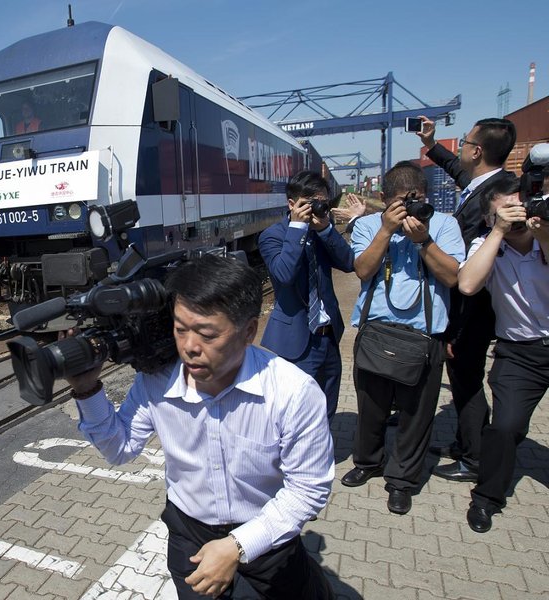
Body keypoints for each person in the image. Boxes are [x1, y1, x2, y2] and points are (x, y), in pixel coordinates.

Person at [66, 253, 335, 599]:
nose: (190, 347)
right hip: (189, 536)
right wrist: (87, 389)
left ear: (249, 331)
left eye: (207, 334)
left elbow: (308, 489)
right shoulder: (156, 381)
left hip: (268, 537)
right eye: (180, 329)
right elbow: (119, 448)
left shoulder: (293, 393)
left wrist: (237, 545)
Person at [340, 161, 464, 515]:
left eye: (418, 200)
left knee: (416, 416)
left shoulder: (444, 224)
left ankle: (403, 481)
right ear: (383, 200)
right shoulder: (367, 225)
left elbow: (453, 277)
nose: (411, 208)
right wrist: (386, 230)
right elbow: (362, 270)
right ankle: (368, 462)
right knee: (370, 410)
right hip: (376, 330)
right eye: (401, 202)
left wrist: (422, 240)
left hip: (425, 336)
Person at [416, 116, 516, 483]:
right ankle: (463, 443)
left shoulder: (501, 192)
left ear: (476, 150)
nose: (461, 147)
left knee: (466, 378)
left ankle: (474, 458)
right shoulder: (489, 184)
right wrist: (431, 145)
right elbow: (462, 174)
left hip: (476, 307)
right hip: (472, 305)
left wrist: (457, 329)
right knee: (463, 376)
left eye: (466, 142)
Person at [455, 175, 549, 533]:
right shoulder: (486, 244)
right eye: (504, 210)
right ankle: (487, 498)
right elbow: (467, 284)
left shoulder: (544, 236)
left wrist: (542, 233)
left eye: (518, 204)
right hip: (519, 353)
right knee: (505, 426)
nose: (515, 214)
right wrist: (497, 233)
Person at [259, 171, 356, 421]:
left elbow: (348, 263)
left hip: (329, 336)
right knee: (296, 412)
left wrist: (325, 230)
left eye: (322, 201)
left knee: (327, 407)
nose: (317, 208)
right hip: (297, 342)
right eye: (310, 202)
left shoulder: (323, 229)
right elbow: (283, 275)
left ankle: (323, 454)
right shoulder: (273, 236)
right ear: (292, 204)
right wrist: (297, 228)